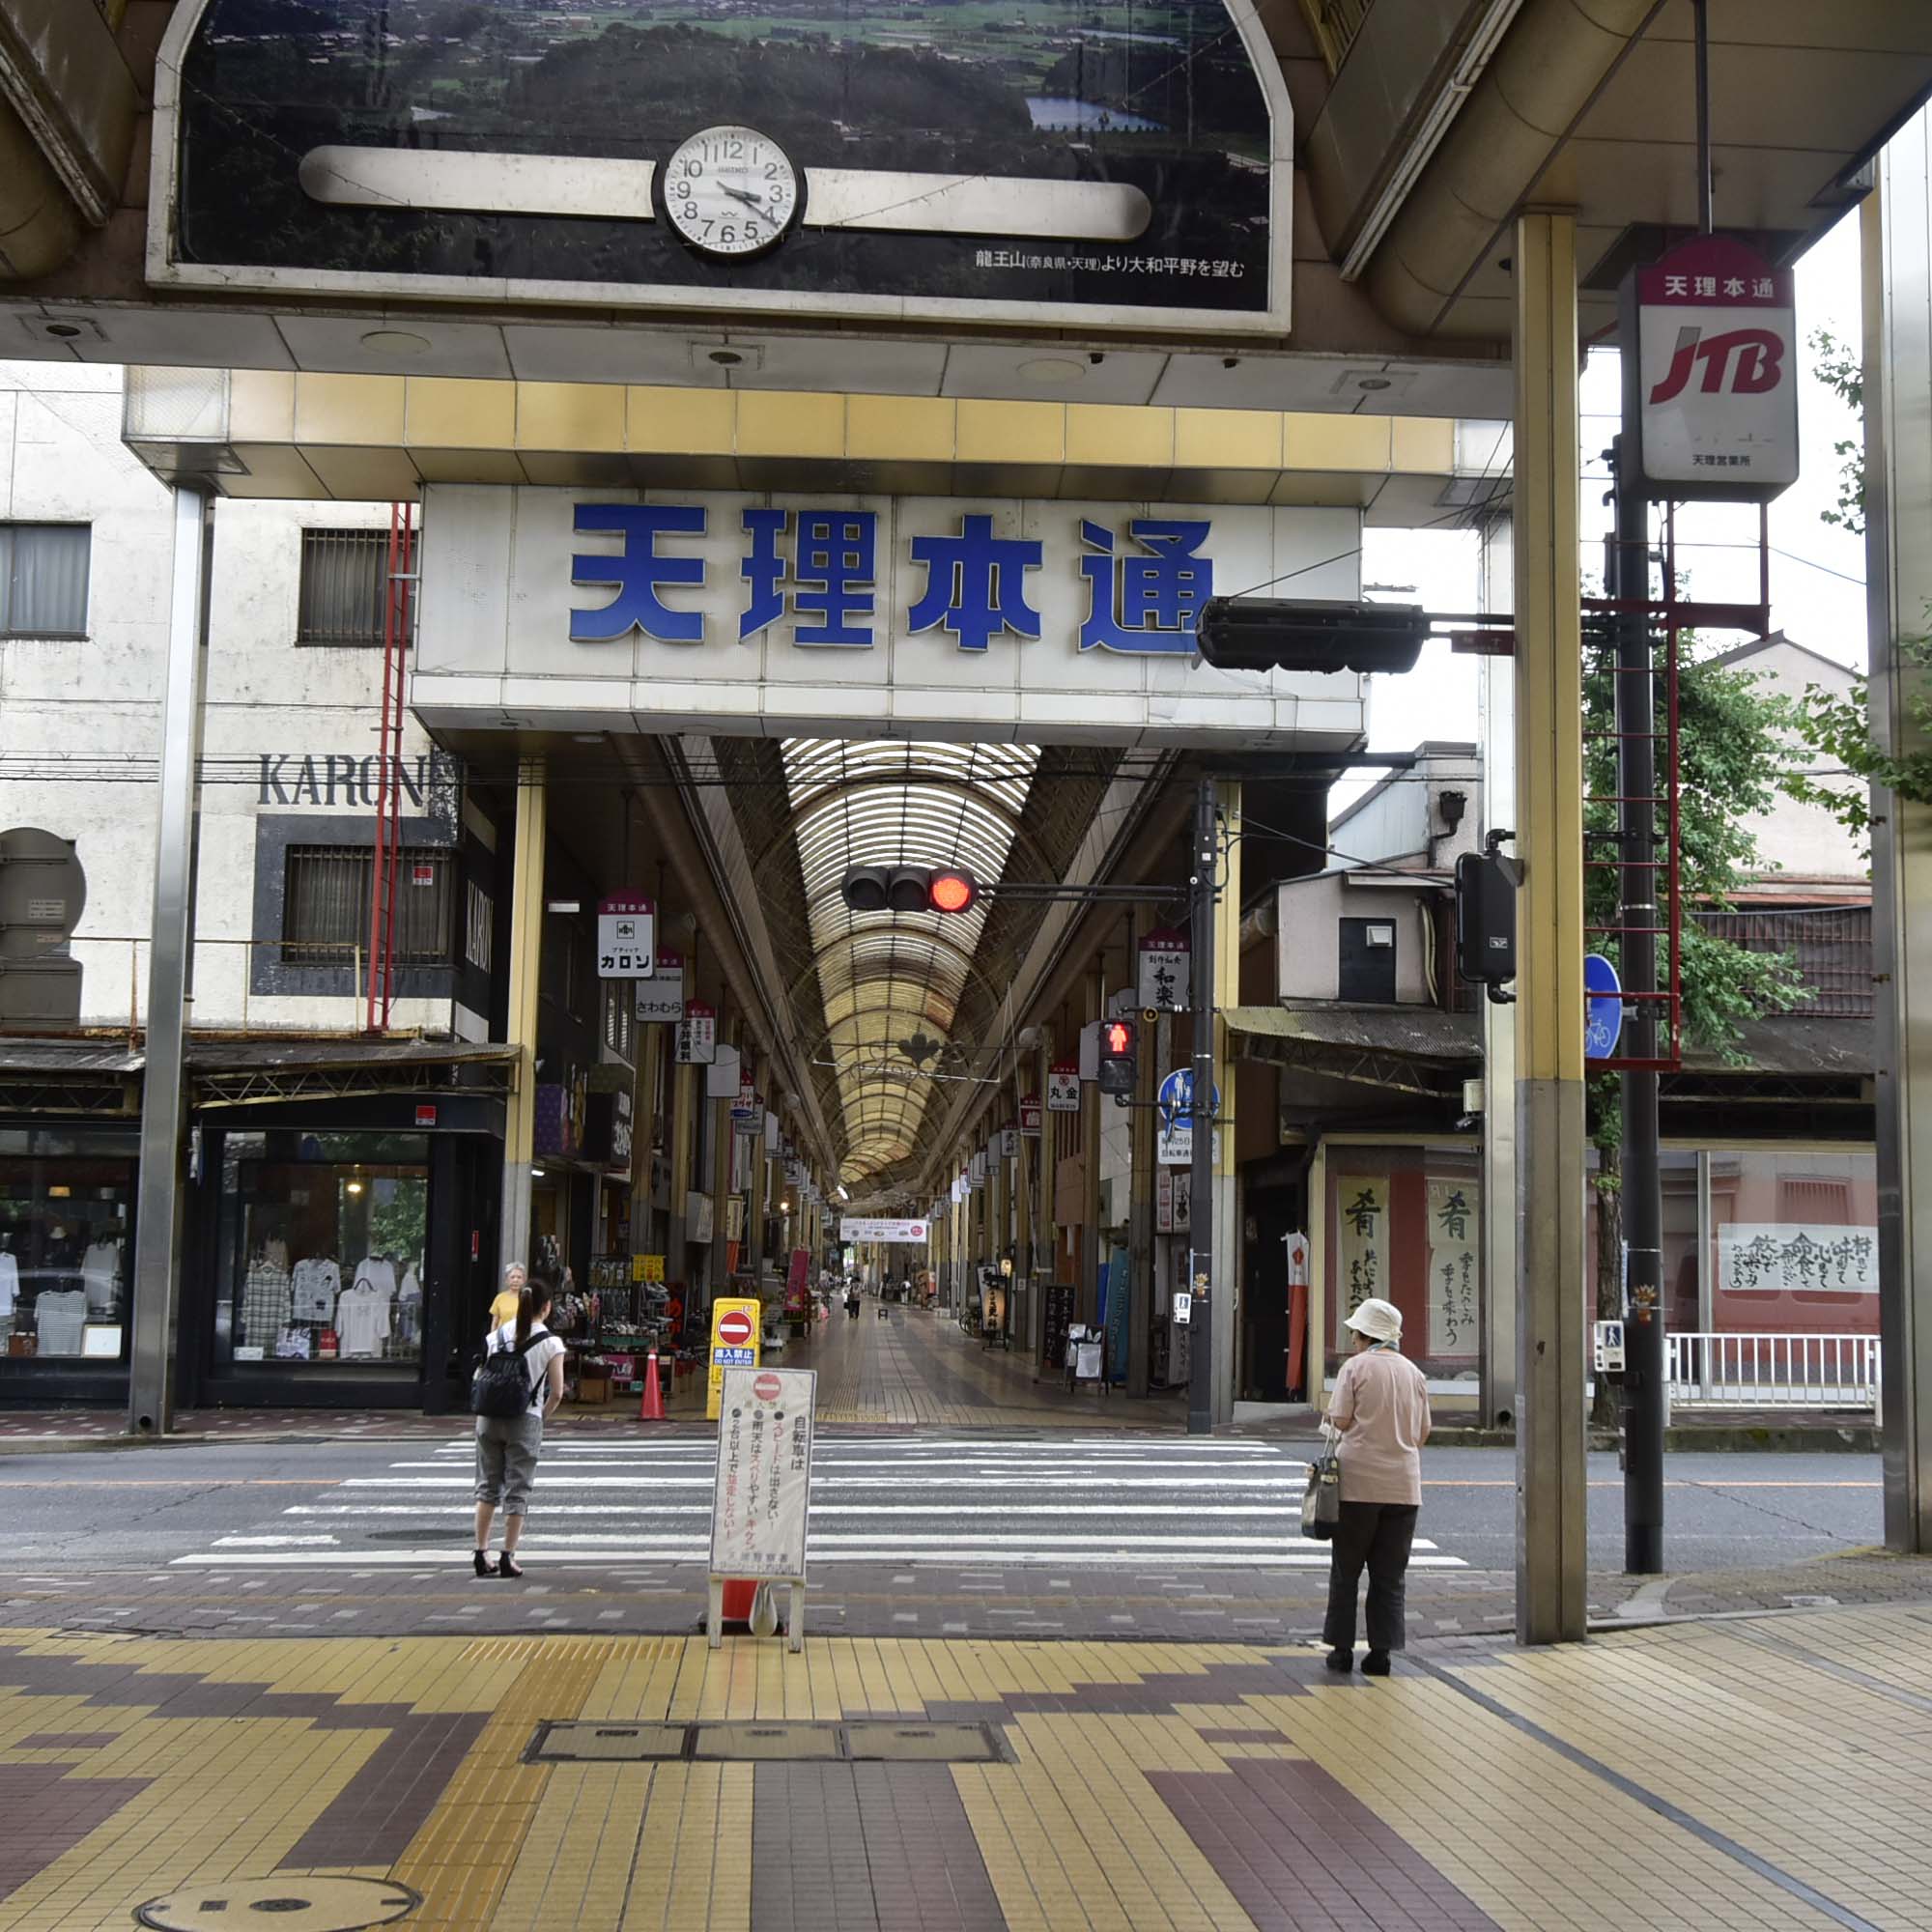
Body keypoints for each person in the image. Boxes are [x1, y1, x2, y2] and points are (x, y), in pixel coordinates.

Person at [1321, 1296, 1431, 1677]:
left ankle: (1341, 1650)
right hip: (1403, 1489)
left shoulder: (1356, 1368)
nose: (1352, 1338)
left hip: (1357, 1488)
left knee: (1346, 1571)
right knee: (1389, 1576)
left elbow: (1339, 1418)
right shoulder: (1414, 1373)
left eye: (1355, 1332)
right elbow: (1423, 1432)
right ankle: (1381, 1653)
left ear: (1366, 1335)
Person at [473, 1282, 565, 1578]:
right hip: (525, 1419)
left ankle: (480, 1552)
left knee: (487, 1487)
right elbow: (558, 1392)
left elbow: (481, 1374)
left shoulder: (495, 1336)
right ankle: (507, 1557)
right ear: (547, 1307)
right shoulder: (551, 1343)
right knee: (518, 1489)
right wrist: (541, 1417)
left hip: (488, 1418)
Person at [487, 1262, 526, 1333]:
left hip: (521, 1338)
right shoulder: (500, 1298)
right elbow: (494, 1323)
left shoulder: (527, 1298)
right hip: (503, 1339)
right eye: (512, 1277)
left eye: (519, 1277)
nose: (515, 1280)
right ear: (507, 1280)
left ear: (524, 1280)